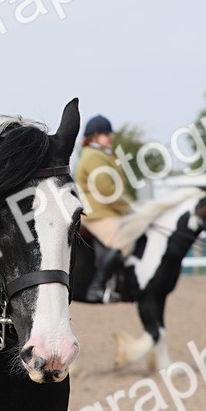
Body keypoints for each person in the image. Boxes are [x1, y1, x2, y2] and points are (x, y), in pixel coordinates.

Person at [75, 115, 130, 303]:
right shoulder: (93, 157)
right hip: (96, 213)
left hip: (107, 211)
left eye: (109, 134)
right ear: (94, 137)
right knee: (122, 241)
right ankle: (96, 288)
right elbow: (107, 189)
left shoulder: (104, 155)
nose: (110, 137)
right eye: (105, 134)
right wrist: (128, 208)